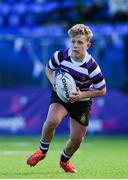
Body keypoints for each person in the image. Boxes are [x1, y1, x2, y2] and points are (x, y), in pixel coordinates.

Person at [26, 24, 106, 173]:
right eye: (73, 41)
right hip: (61, 95)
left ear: (88, 45)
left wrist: (82, 95)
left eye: (80, 42)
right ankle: (42, 151)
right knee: (52, 120)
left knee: (77, 140)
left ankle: (64, 161)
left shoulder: (92, 67)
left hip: (81, 101)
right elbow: (48, 69)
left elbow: (102, 90)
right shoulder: (61, 56)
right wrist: (53, 82)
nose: (75, 45)